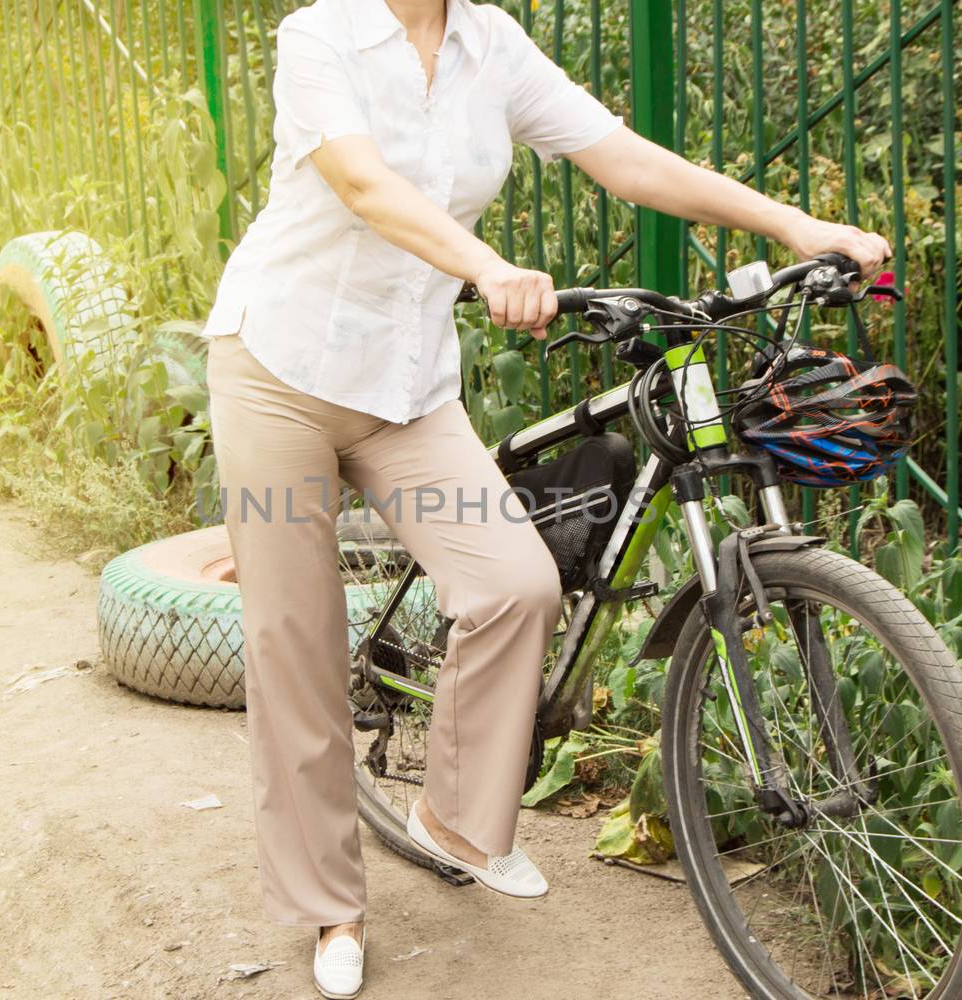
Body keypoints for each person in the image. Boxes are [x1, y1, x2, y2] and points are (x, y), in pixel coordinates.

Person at [199, 0, 891, 996]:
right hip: (279, 368)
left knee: (515, 580)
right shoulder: (321, 34)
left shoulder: (492, 44)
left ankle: (452, 818)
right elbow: (361, 181)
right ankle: (331, 910)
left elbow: (627, 159)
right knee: (295, 648)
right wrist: (485, 267)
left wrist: (791, 221)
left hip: (403, 388)